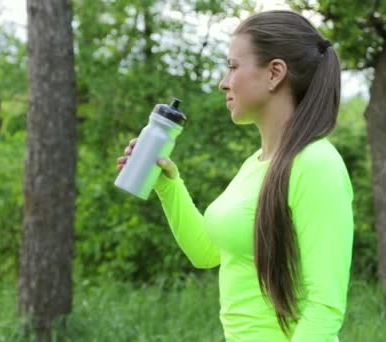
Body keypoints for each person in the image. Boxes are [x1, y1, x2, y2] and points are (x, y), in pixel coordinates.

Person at [117, 10, 354, 342]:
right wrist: (167, 184)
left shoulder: (317, 165)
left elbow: (324, 307)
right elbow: (206, 253)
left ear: (274, 74)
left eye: (233, 66)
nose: (223, 82)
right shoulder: (256, 164)